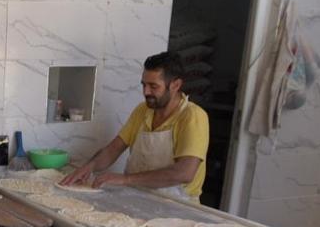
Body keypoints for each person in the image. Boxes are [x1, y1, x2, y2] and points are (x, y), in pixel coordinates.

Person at [60, 52, 209, 202]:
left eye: (153, 86)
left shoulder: (192, 117)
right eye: (144, 85)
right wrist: (89, 167)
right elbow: (114, 149)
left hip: (177, 206)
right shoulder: (143, 110)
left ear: (175, 85)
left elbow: (185, 173)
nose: (146, 92)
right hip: (136, 196)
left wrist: (126, 180)